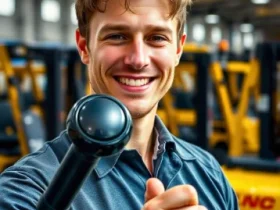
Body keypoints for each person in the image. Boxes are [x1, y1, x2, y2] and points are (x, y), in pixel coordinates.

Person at [0, 0, 239, 209]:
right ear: (85, 47)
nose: (138, 60)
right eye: (117, 36)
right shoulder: (27, 189)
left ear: (177, 49)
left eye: (157, 38)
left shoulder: (209, 173)